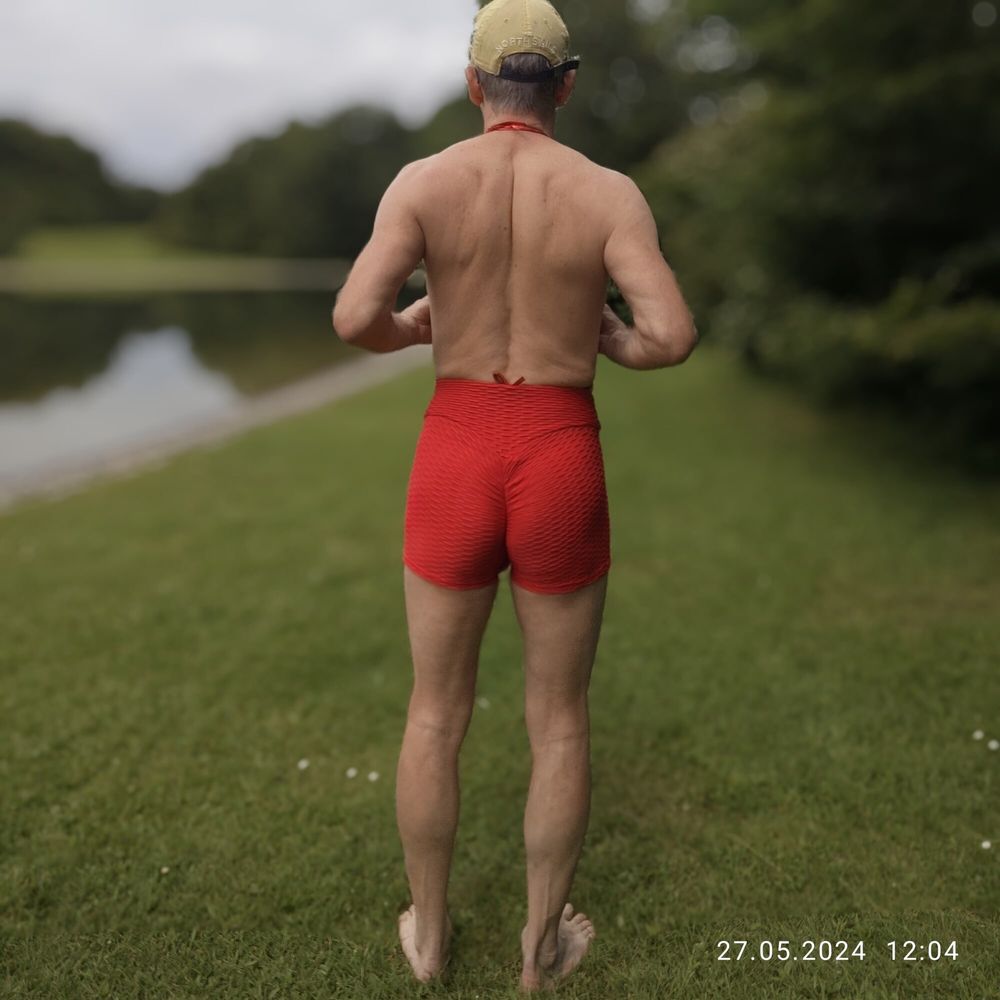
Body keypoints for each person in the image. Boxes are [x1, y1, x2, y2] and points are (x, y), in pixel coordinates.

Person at [332, 0, 697, 989]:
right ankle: (539, 951)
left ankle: (431, 936)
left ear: (473, 84)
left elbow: (355, 314)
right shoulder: (606, 193)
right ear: (565, 87)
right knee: (560, 717)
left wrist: (420, 327)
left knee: (433, 711)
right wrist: (608, 340)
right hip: (556, 449)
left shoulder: (423, 182)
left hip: (455, 450)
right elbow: (667, 334)